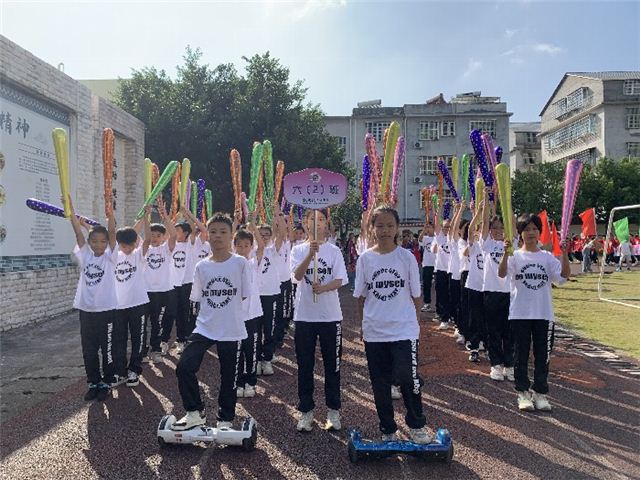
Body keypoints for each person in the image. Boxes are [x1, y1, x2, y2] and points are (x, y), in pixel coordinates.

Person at [354, 205, 431, 444]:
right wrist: (363, 325)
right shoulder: (365, 259)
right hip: (375, 331)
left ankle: (416, 425)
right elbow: (361, 297)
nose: (385, 230)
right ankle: (387, 428)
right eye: (380, 226)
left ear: (397, 228)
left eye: (390, 225)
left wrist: (416, 324)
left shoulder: (406, 258)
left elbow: (416, 296)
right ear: (372, 228)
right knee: (380, 383)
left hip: (403, 330)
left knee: (408, 378)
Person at [171, 212, 251, 431]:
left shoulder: (240, 263)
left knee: (229, 377)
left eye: (223, 232)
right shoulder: (201, 266)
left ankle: (225, 419)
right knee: (184, 367)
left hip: (232, 329)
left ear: (231, 235)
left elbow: (245, 295)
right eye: (213, 232)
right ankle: (195, 412)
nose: (217, 236)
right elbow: (197, 297)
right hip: (205, 327)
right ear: (207, 235)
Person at [499, 213, 570, 412]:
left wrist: (564, 253)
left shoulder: (547, 257)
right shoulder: (515, 256)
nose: (531, 233)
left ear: (539, 232)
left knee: (542, 356)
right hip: (520, 314)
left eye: (534, 229)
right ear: (520, 233)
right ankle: (522, 393)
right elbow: (502, 273)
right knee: (520, 355)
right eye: (527, 229)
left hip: (543, 314)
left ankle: (540, 393)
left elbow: (563, 276)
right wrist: (505, 253)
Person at [291, 209, 348, 432]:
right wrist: (309, 254)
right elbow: (296, 276)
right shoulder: (298, 249)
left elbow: (340, 279)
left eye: (321, 219)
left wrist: (323, 288)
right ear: (306, 223)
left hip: (330, 316)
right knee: (305, 365)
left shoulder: (334, 251)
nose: (317, 223)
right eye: (312, 219)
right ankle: (306, 411)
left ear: (326, 223)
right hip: (304, 316)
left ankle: (333, 411)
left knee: (332, 365)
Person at [68, 196, 118, 401]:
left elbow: (112, 232)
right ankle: (93, 382)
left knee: (107, 349)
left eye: (103, 242)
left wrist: (110, 213)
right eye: (95, 241)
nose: (99, 245)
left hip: (106, 311)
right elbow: (77, 233)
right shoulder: (85, 255)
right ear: (89, 243)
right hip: (86, 310)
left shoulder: (111, 257)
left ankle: (106, 383)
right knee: (89, 350)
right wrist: (71, 209)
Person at [112, 207, 151, 388]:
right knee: (118, 339)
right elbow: (123, 235)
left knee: (138, 338)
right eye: (123, 245)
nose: (126, 249)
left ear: (135, 244)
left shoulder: (138, 255)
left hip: (138, 304)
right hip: (118, 305)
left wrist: (146, 218)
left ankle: (134, 370)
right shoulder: (115, 255)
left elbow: (147, 239)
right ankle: (120, 371)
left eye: (130, 245)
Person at [481, 192, 515, 382]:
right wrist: (486, 201)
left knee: (509, 331)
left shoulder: (511, 243)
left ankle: (509, 365)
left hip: (509, 292)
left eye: (501, 227)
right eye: (494, 228)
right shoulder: (487, 244)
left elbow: (513, 223)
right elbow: (484, 224)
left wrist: (506, 198)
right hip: (491, 292)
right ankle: (496, 365)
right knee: (493, 330)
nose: (498, 230)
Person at [233, 214, 264, 399]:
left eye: (246, 245)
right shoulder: (230, 263)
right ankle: (238, 382)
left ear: (251, 247)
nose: (243, 249)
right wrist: (236, 224)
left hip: (252, 314)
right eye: (239, 245)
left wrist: (252, 224)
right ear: (234, 246)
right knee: (236, 350)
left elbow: (262, 246)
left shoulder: (253, 263)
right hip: (235, 315)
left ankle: (250, 382)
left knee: (251, 349)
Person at [144, 200, 177, 362]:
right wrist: (145, 216)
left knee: (157, 322)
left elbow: (174, 235)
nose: (155, 238)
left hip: (163, 292)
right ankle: (142, 351)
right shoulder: (144, 249)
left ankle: (156, 350)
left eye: (158, 235)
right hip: (145, 292)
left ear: (164, 237)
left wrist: (165, 216)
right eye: (152, 235)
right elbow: (137, 235)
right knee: (143, 323)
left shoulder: (166, 250)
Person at [255, 203, 286, 375]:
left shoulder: (274, 250)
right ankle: (256, 359)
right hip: (254, 296)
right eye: (261, 234)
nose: (264, 237)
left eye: (267, 234)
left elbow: (282, 233)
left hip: (271, 294)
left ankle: (267, 359)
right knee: (255, 329)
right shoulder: (252, 250)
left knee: (269, 328)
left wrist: (278, 214)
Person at [464, 200, 486, 363]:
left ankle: (487, 344)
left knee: (488, 318)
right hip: (474, 285)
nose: (479, 232)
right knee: (474, 317)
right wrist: (478, 212)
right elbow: (471, 229)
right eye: (478, 231)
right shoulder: (474, 247)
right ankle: (474, 347)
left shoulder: (491, 246)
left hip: (489, 287)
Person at [432, 201, 452, 328]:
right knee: (442, 294)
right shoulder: (439, 238)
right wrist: (439, 209)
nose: (446, 229)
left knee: (452, 295)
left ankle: (453, 317)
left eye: (449, 227)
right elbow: (436, 224)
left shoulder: (454, 238)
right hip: (440, 270)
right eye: (445, 227)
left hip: (452, 271)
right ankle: (444, 318)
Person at [418, 221, 435, 313]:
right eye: (427, 227)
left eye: (430, 227)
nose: (428, 229)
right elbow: (420, 240)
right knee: (426, 285)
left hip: (437, 265)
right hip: (427, 264)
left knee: (438, 286)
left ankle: (439, 305)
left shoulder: (437, 238)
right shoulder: (425, 238)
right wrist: (424, 230)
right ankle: (427, 303)